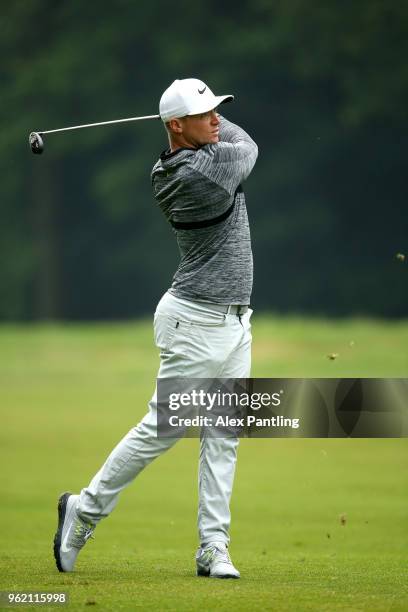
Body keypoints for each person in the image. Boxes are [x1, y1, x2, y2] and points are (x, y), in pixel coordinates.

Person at [53, 78, 258, 579]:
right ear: (175, 126)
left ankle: (213, 546)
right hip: (196, 320)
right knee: (164, 428)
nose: (216, 118)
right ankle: (84, 508)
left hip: (232, 320)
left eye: (217, 111)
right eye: (205, 113)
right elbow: (247, 145)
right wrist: (204, 120)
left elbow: (216, 133)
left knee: (224, 434)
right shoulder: (203, 174)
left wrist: (197, 111)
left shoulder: (173, 161)